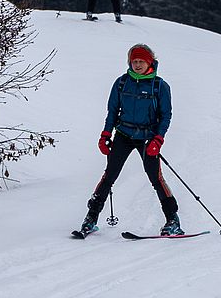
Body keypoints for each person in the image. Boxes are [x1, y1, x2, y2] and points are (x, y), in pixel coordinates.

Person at [76, 43, 181, 237]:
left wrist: (158, 139)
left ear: (150, 62)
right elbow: (112, 111)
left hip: (148, 139)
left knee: (155, 178)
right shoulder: (122, 83)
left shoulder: (159, 86)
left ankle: (172, 219)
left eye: (142, 61)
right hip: (123, 135)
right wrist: (105, 134)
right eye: (134, 61)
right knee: (109, 176)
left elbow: (166, 115)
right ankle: (90, 218)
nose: (138, 65)